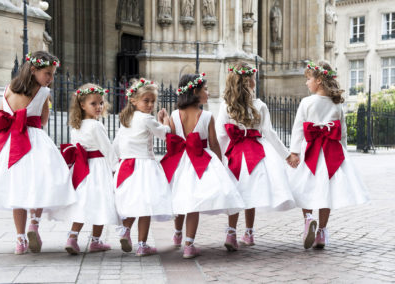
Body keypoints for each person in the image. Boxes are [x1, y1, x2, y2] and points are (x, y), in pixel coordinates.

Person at [0, 51, 76, 254]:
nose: (50, 78)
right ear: (33, 70)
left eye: (52, 74)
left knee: (17, 190)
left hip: (10, 143)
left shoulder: (7, 90)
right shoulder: (43, 93)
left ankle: (20, 240)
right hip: (33, 141)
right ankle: (34, 224)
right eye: (48, 73)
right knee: (42, 183)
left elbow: (2, 115)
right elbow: (43, 121)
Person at [160, 72, 244, 259]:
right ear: (196, 91)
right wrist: (220, 164)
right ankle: (189, 245)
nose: (208, 92)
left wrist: (165, 122)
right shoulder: (206, 116)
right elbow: (213, 144)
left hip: (181, 162)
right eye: (205, 89)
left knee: (181, 198)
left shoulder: (174, 115)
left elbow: (172, 141)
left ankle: (178, 235)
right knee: (194, 204)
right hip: (202, 161)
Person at [289, 60, 369, 249]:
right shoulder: (337, 105)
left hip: (311, 152)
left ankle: (308, 218)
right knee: (327, 192)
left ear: (318, 80)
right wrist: (344, 151)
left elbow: (298, 129)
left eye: (308, 79)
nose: (306, 83)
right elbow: (342, 133)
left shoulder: (307, 102)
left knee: (304, 187)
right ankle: (322, 232)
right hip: (331, 154)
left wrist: (294, 151)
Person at [216, 62, 296, 251]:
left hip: (234, 154)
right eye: (254, 78)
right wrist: (286, 155)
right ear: (250, 82)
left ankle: (231, 232)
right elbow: (270, 133)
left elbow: (220, 134)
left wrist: (217, 159)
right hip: (256, 155)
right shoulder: (259, 105)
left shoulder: (226, 105)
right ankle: (249, 233)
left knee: (236, 192)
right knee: (249, 192)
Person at [51, 83, 120, 255]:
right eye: (94, 103)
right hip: (98, 168)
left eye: (101, 103)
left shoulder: (77, 125)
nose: (99, 107)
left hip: (82, 169)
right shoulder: (96, 126)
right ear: (82, 105)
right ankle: (95, 241)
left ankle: (72, 237)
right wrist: (115, 167)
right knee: (101, 203)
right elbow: (107, 148)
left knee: (83, 203)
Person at [113, 78, 173, 256]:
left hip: (127, 165)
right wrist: (165, 122)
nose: (150, 104)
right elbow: (164, 134)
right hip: (145, 166)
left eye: (153, 101)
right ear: (133, 100)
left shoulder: (126, 119)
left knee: (134, 203)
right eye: (146, 100)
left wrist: (119, 161)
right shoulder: (147, 119)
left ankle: (125, 230)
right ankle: (142, 245)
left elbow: (117, 144)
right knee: (145, 206)